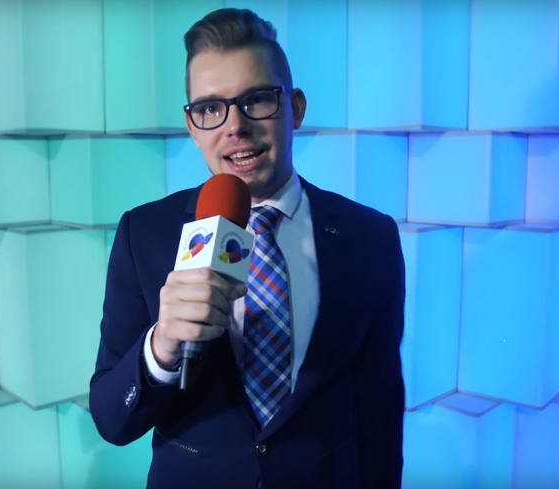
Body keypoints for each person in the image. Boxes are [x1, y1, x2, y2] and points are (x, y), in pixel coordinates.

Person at [90, 8, 405, 489]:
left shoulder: (371, 237)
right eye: (209, 108)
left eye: (257, 99)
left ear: (295, 108)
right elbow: (112, 420)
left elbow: (379, 408)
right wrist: (162, 344)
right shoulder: (144, 233)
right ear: (192, 126)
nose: (234, 126)